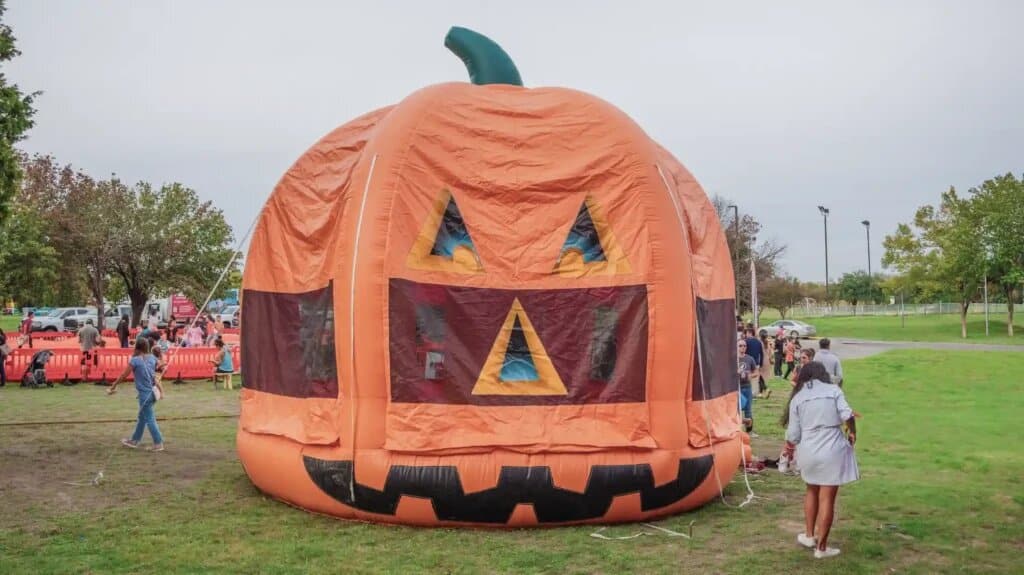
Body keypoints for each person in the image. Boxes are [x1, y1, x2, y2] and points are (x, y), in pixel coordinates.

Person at [782, 361, 859, 559]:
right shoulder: (833, 390)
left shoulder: (797, 398)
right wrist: (852, 431)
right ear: (822, 374)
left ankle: (809, 535)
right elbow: (847, 414)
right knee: (827, 498)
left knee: (811, 490)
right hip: (831, 448)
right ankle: (822, 548)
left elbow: (792, 435)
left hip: (807, 450)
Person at [107, 337, 165, 452]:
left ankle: (158, 443)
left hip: (145, 395)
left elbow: (123, 376)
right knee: (142, 418)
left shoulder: (135, 361)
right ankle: (134, 440)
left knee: (149, 419)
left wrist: (113, 386)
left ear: (137, 347)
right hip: (152, 394)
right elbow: (157, 371)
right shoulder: (152, 358)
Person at [737, 338, 759, 436]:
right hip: (736, 389)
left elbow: (756, 372)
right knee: (736, 410)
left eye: (744, 346)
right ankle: (736, 430)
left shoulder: (750, 359)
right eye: (740, 345)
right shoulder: (733, 359)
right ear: (736, 347)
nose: (743, 347)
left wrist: (750, 375)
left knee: (748, 409)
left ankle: (749, 431)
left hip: (747, 387)